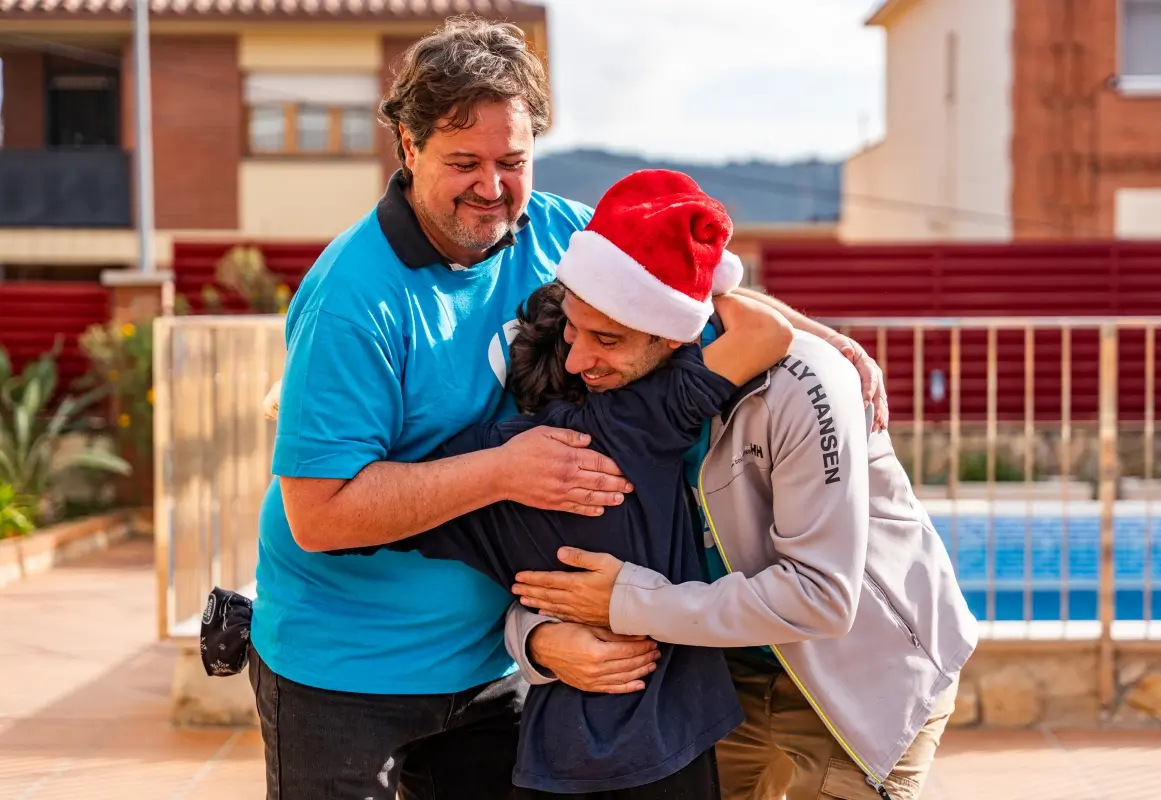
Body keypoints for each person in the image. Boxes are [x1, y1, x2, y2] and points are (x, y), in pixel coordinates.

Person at [249, 14, 888, 799]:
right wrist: (505, 472)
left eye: (512, 160)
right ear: (408, 149)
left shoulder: (553, 230)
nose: (492, 187)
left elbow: (682, 286)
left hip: (496, 660)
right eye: (464, 162)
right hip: (345, 671)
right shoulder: (353, 300)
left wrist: (819, 339)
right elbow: (319, 515)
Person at [506, 305, 979, 799]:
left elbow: (820, 596)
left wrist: (626, 604)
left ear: (670, 331)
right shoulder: (596, 400)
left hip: (860, 676)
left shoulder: (802, 380)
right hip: (727, 678)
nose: (579, 359)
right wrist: (536, 639)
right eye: (574, 332)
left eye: (606, 339)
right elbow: (535, 549)